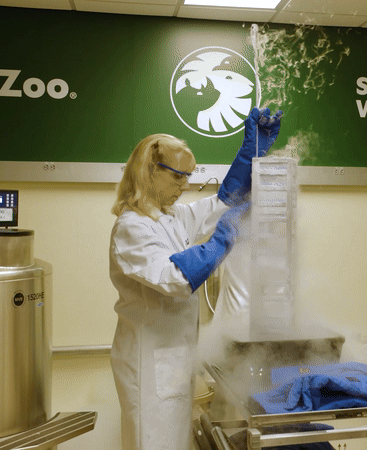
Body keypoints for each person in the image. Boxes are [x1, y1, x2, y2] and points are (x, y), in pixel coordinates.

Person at [109, 107, 282, 450]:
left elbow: (223, 202)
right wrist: (224, 237)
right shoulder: (131, 228)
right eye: (178, 177)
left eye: (190, 176)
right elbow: (175, 276)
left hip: (172, 359)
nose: (185, 186)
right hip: (149, 364)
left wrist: (252, 152)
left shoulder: (171, 216)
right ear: (149, 172)